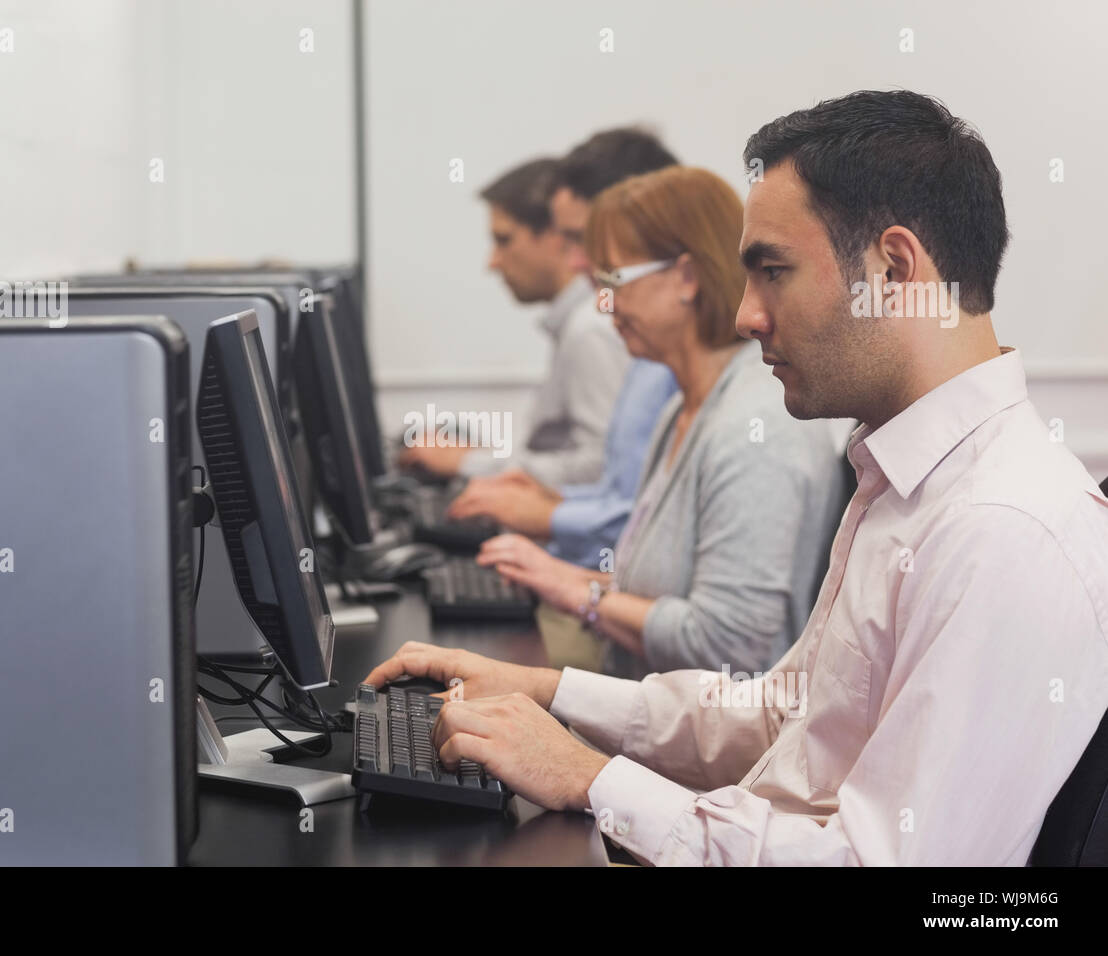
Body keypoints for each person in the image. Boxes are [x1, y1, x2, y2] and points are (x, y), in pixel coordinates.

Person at [365, 90, 1108, 865]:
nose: (747, 314)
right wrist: (547, 692)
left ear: (894, 267)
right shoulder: (904, 478)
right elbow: (782, 718)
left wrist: (590, 779)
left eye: (772, 271)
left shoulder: (1004, 530)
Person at [471, 165, 847, 676]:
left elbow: (727, 648)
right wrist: (562, 576)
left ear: (687, 279)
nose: (603, 304)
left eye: (612, 280)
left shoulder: (754, 428)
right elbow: (648, 591)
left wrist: (572, 588)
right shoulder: (683, 407)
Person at [446, 129, 681, 568]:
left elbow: (624, 499)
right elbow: (622, 493)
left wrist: (542, 509)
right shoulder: (640, 349)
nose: (576, 261)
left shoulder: (598, 330)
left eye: (580, 238)